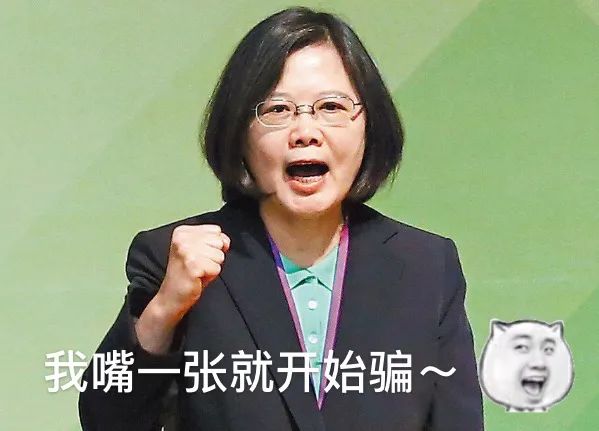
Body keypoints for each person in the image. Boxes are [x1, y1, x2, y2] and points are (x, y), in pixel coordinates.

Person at [79, 7, 484, 431]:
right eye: (277, 110)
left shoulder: (425, 265)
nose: (305, 131)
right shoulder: (176, 258)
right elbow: (107, 421)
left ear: (369, 125)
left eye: (331, 106)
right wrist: (165, 308)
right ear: (239, 131)